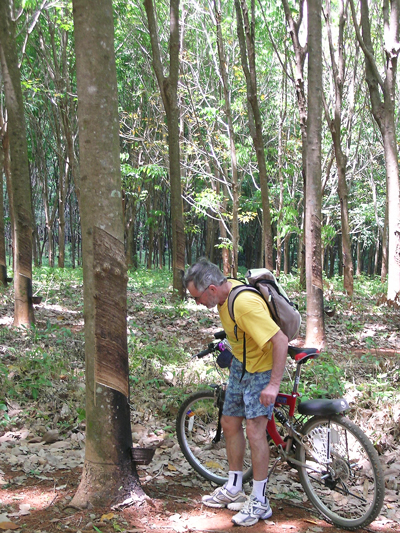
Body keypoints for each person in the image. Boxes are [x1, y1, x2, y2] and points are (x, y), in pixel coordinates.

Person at [184, 258, 288, 527]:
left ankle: (260, 500)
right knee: (229, 422)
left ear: (210, 288)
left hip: (262, 368)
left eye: (197, 297)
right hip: (242, 366)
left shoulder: (242, 304)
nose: (197, 303)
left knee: (255, 431)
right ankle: (233, 487)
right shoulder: (223, 299)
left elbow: (280, 340)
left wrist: (273, 385)